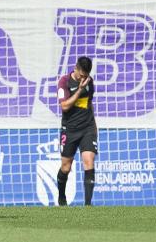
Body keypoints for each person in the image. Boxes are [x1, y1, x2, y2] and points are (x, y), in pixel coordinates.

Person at [56, 56, 97, 206]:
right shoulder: (64, 82)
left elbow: (89, 104)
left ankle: (88, 205)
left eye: (86, 76)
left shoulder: (89, 82)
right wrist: (79, 90)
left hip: (87, 128)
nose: (83, 79)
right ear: (76, 69)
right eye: (81, 76)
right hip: (70, 130)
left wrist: (94, 128)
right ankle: (61, 198)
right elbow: (65, 106)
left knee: (89, 161)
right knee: (66, 167)